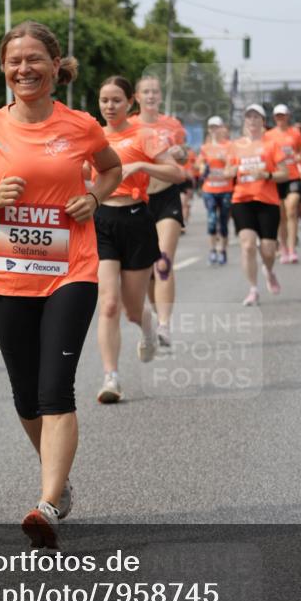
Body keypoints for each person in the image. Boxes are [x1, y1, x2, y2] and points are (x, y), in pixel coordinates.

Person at [0, 21, 121, 549]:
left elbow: (110, 169)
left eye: (34, 60)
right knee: (25, 396)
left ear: (54, 65)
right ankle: (59, 482)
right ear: (5, 68)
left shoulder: (81, 125)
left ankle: (45, 505)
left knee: (55, 388)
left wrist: (94, 197)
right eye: (15, 61)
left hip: (71, 269)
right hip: (5, 277)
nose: (24, 69)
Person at [92, 76, 183, 404]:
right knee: (109, 302)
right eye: (104, 100)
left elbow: (177, 173)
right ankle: (111, 377)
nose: (109, 106)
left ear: (130, 102)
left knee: (132, 309)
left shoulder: (145, 135)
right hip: (101, 220)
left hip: (135, 220)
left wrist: (143, 164)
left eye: (116, 100)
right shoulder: (92, 136)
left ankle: (148, 329)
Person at [129, 74, 188, 348]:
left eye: (155, 92)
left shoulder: (172, 125)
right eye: (146, 92)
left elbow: (186, 155)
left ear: (160, 96)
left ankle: (164, 326)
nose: (151, 96)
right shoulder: (129, 126)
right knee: (149, 270)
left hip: (167, 197)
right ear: (137, 98)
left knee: (163, 260)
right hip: (139, 199)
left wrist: (179, 152)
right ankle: (153, 317)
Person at [227, 104, 288, 305]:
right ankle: (253, 289)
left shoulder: (271, 145)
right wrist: (234, 169)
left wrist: (267, 175)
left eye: (256, 117)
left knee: (268, 250)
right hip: (242, 200)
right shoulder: (235, 146)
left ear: (263, 122)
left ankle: (269, 270)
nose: (252, 121)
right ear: (244, 121)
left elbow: (284, 173)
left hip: (267, 201)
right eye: (248, 117)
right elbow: (227, 172)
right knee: (247, 245)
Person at [263, 104, 301, 263]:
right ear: (274, 118)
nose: (280, 118)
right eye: (277, 116)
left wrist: (299, 157)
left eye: (283, 115)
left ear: (288, 116)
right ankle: (284, 248)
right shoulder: (269, 135)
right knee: (280, 216)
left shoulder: (295, 133)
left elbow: (299, 150)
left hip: (293, 176)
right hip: (277, 178)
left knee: (291, 210)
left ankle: (293, 249)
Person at [198, 116, 234, 265]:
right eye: (211, 127)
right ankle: (212, 250)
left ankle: (223, 250)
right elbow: (200, 166)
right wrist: (203, 169)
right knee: (212, 221)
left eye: (216, 127)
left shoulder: (229, 146)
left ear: (221, 129)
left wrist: (227, 167)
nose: (213, 130)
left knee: (223, 222)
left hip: (226, 189)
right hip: (210, 189)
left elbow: (232, 165)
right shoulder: (205, 147)